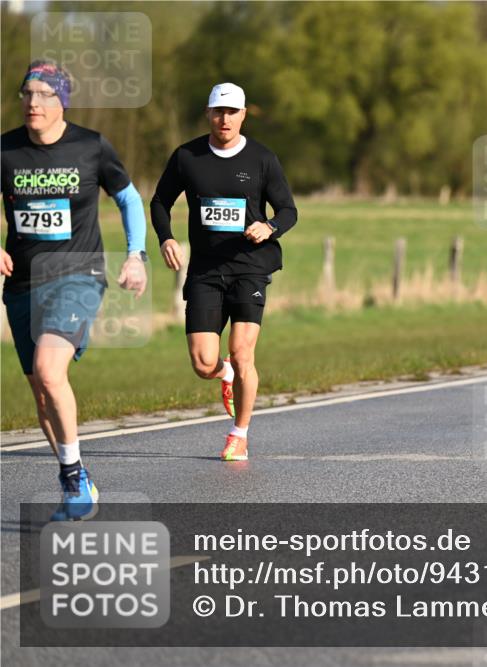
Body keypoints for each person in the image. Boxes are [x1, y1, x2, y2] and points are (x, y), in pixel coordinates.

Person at [1, 61, 148, 520]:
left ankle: (70, 482)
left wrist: (135, 254)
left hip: (78, 275)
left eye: (44, 94)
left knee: (48, 369)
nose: (33, 103)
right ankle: (77, 475)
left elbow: (127, 197)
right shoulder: (6, 150)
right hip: (22, 282)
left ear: (61, 100)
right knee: (41, 392)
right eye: (27, 93)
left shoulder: (91, 146)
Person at [151, 82, 297, 461]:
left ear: (243, 115)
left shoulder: (262, 159)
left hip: (250, 266)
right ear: (208, 113)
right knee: (203, 363)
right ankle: (225, 373)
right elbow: (159, 201)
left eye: (232, 112)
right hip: (205, 271)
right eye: (219, 111)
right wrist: (166, 238)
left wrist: (270, 227)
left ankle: (239, 433)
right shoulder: (188, 157)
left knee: (242, 350)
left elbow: (288, 210)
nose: (225, 118)